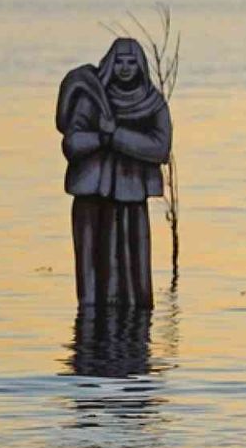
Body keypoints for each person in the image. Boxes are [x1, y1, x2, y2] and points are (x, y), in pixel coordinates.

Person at [56, 38, 173, 309]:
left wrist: (117, 135)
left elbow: (160, 147)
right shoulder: (91, 101)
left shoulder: (153, 104)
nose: (124, 68)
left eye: (131, 62)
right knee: (93, 266)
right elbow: (72, 143)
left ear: (141, 66)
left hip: (132, 200)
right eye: (119, 61)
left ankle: (131, 335)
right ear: (110, 63)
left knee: (132, 273)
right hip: (92, 197)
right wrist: (101, 137)